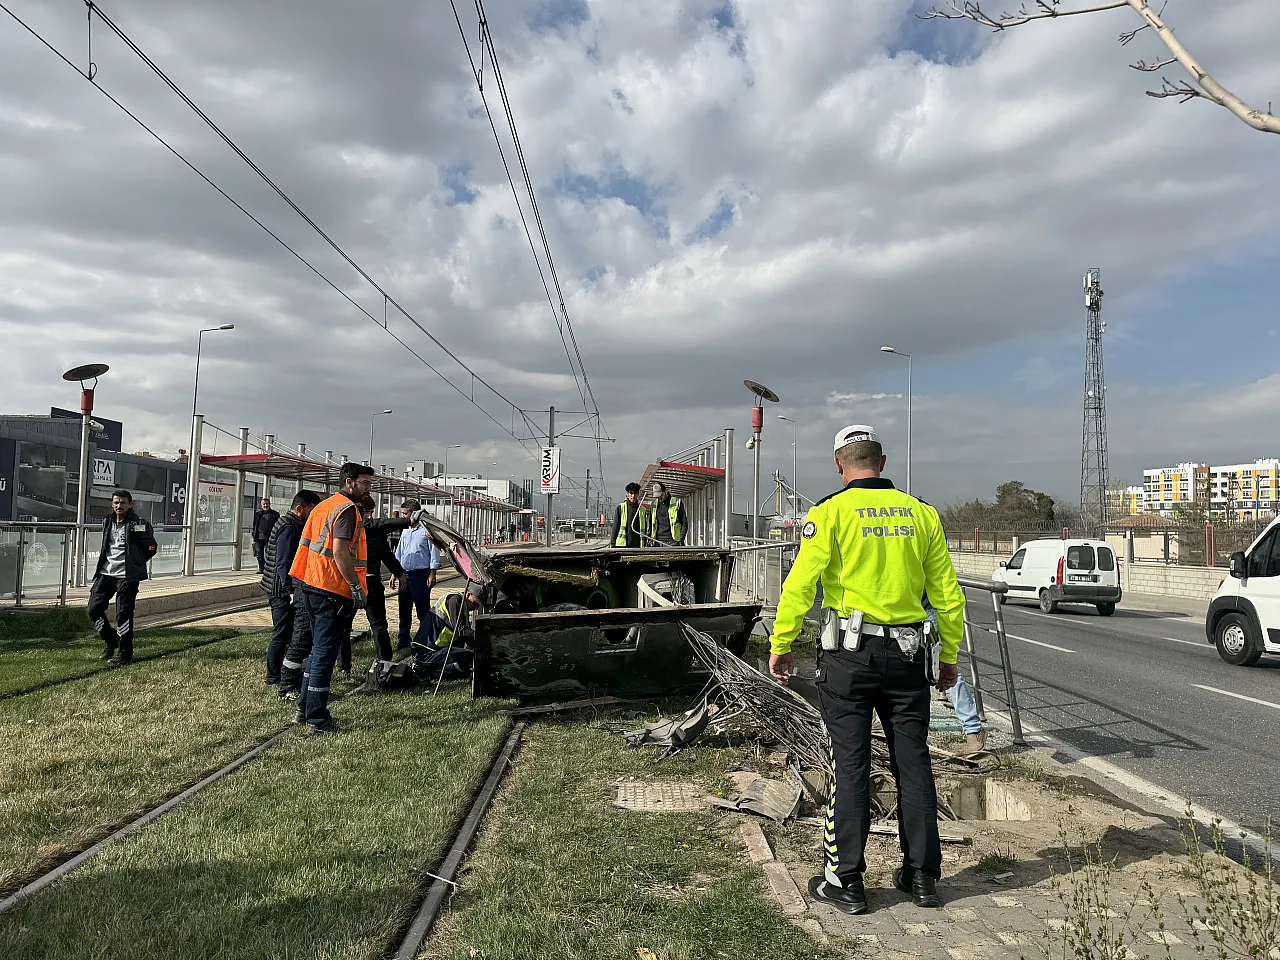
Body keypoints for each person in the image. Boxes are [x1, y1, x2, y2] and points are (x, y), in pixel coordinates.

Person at [768, 424, 965, 914]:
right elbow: (948, 595)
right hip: (908, 658)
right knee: (914, 763)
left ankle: (846, 882)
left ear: (840, 464)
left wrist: (782, 643)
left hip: (850, 659)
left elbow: (800, 586)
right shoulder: (922, 514)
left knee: (849, 765)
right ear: (882, 461)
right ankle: (921, 877)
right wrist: (949, 657)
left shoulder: (829, 513)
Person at [288, 462, 374, 735]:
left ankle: (304, 708)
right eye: (365, 483)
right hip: (332, 590)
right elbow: (340, 551)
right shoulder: (347, 510)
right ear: (349, 483)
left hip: (309, 584)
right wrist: (355, 587)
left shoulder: (325, 505)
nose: (368, 488)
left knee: (316, 650)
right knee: (325, 654)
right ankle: (317, 718)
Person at [261, 490, 322, 695]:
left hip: (281, 587)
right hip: (280, 590)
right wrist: (290, 590)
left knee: (287, 633)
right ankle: (273, 677)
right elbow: (284, 562)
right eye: (310, 511)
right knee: (281, 633)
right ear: (299, 508)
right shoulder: (288, 527)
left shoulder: (292, 523)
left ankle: (281, 672)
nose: (312, 515)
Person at [87, 489, 158, 666]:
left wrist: (135, 562)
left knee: (123, 614)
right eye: (116, 502)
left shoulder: (139, 523)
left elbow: (151, 547)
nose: (119, 506)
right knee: (93, 609)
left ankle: (125, 652)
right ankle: (111, 640)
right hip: (105, 574)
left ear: (130, 504)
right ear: (112, 504)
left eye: (123, 502)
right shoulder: (107, 521)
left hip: (128, 577)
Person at [923, 594, 986, 754]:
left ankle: (974, 730)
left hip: (926, 611)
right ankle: (881, 720)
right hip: (905, 613)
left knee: (946, 671)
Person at [359, 494, 411, 662]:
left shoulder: (348, 526)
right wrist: (399, 572)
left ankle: (343, 664)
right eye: (368, 512)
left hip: (354, 582)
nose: (369, 517)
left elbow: (387, 555)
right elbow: (387, 555)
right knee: (379, 624)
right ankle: (385, 661)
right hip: (368, 581)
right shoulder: (367, 528)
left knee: (344, 625)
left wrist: (399, 572)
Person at [393, 499, 442, 651]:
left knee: (422, 611)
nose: (403, 517)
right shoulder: (406, 530)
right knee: (404, 611)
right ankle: (403, 642)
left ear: (415, 514)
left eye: (405, 514)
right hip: (404, 576)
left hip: (421, 576)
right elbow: (399, 551)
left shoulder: (426, 531)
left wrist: (432, 573)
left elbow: (434, 553)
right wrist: (395, 573)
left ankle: (424, 640)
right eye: (402, 514)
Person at [411, 586, 481, 681]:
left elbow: (465, 637)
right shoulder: (455, 600)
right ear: (468, 594)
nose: (476, 607)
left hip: (435, 651)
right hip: (427, 653)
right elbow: (461, 631)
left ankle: (435, 671)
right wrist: (483, 638)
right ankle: (428, 672)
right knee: (470, 657)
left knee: (472, 657)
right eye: (475, 603)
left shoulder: (462, 606)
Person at [644, 481, 688, 546]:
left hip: (673, 541)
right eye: (657, 497)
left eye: (660, 495)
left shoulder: (676, 502)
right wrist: (649, 537)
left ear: (665, 492)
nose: (659, 498)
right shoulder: (653, 504)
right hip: (657, 541)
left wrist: (681, 538)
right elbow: (651, 524)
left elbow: (684, 522)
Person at [609, 482, 644, 548]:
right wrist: (613, 543)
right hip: (623, 545)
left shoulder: (642, 510)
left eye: (635, 493)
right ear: (627, 494)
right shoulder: (621, 508)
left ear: (638, 494)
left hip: (638, 545)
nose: (633, 496)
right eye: (631, 493)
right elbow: (616, 526)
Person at [252, 498, 280, 575]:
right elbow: (255, 525)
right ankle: (261, 568)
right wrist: (253, 535)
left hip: (270, 538)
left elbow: (277, 526)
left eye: (267, 504)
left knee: (269, 554)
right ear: (261, 505)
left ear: (269, 504)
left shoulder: (275, 514)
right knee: (259, 554)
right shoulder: (257, 514)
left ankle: (269, 569)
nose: (265, 505)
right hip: (259, 537)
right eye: (264, 504)